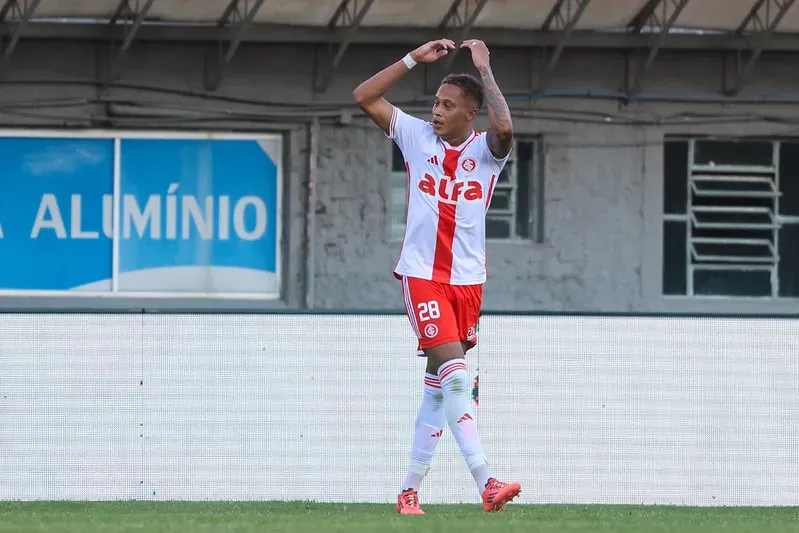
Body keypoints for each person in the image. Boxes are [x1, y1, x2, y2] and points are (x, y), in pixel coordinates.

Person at [353, 38, 521, 515]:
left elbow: (505, 126)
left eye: (448, 106)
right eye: (436, 102)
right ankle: (487, 482)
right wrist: (411, 59)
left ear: (471, 114)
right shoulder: (414, 136)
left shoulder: (488, 152)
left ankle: (409, 489)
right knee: (455, 379)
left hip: (468, 282)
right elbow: (364, 96)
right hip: (422, 277)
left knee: (437, 389)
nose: (436, 112)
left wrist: (484, 71)